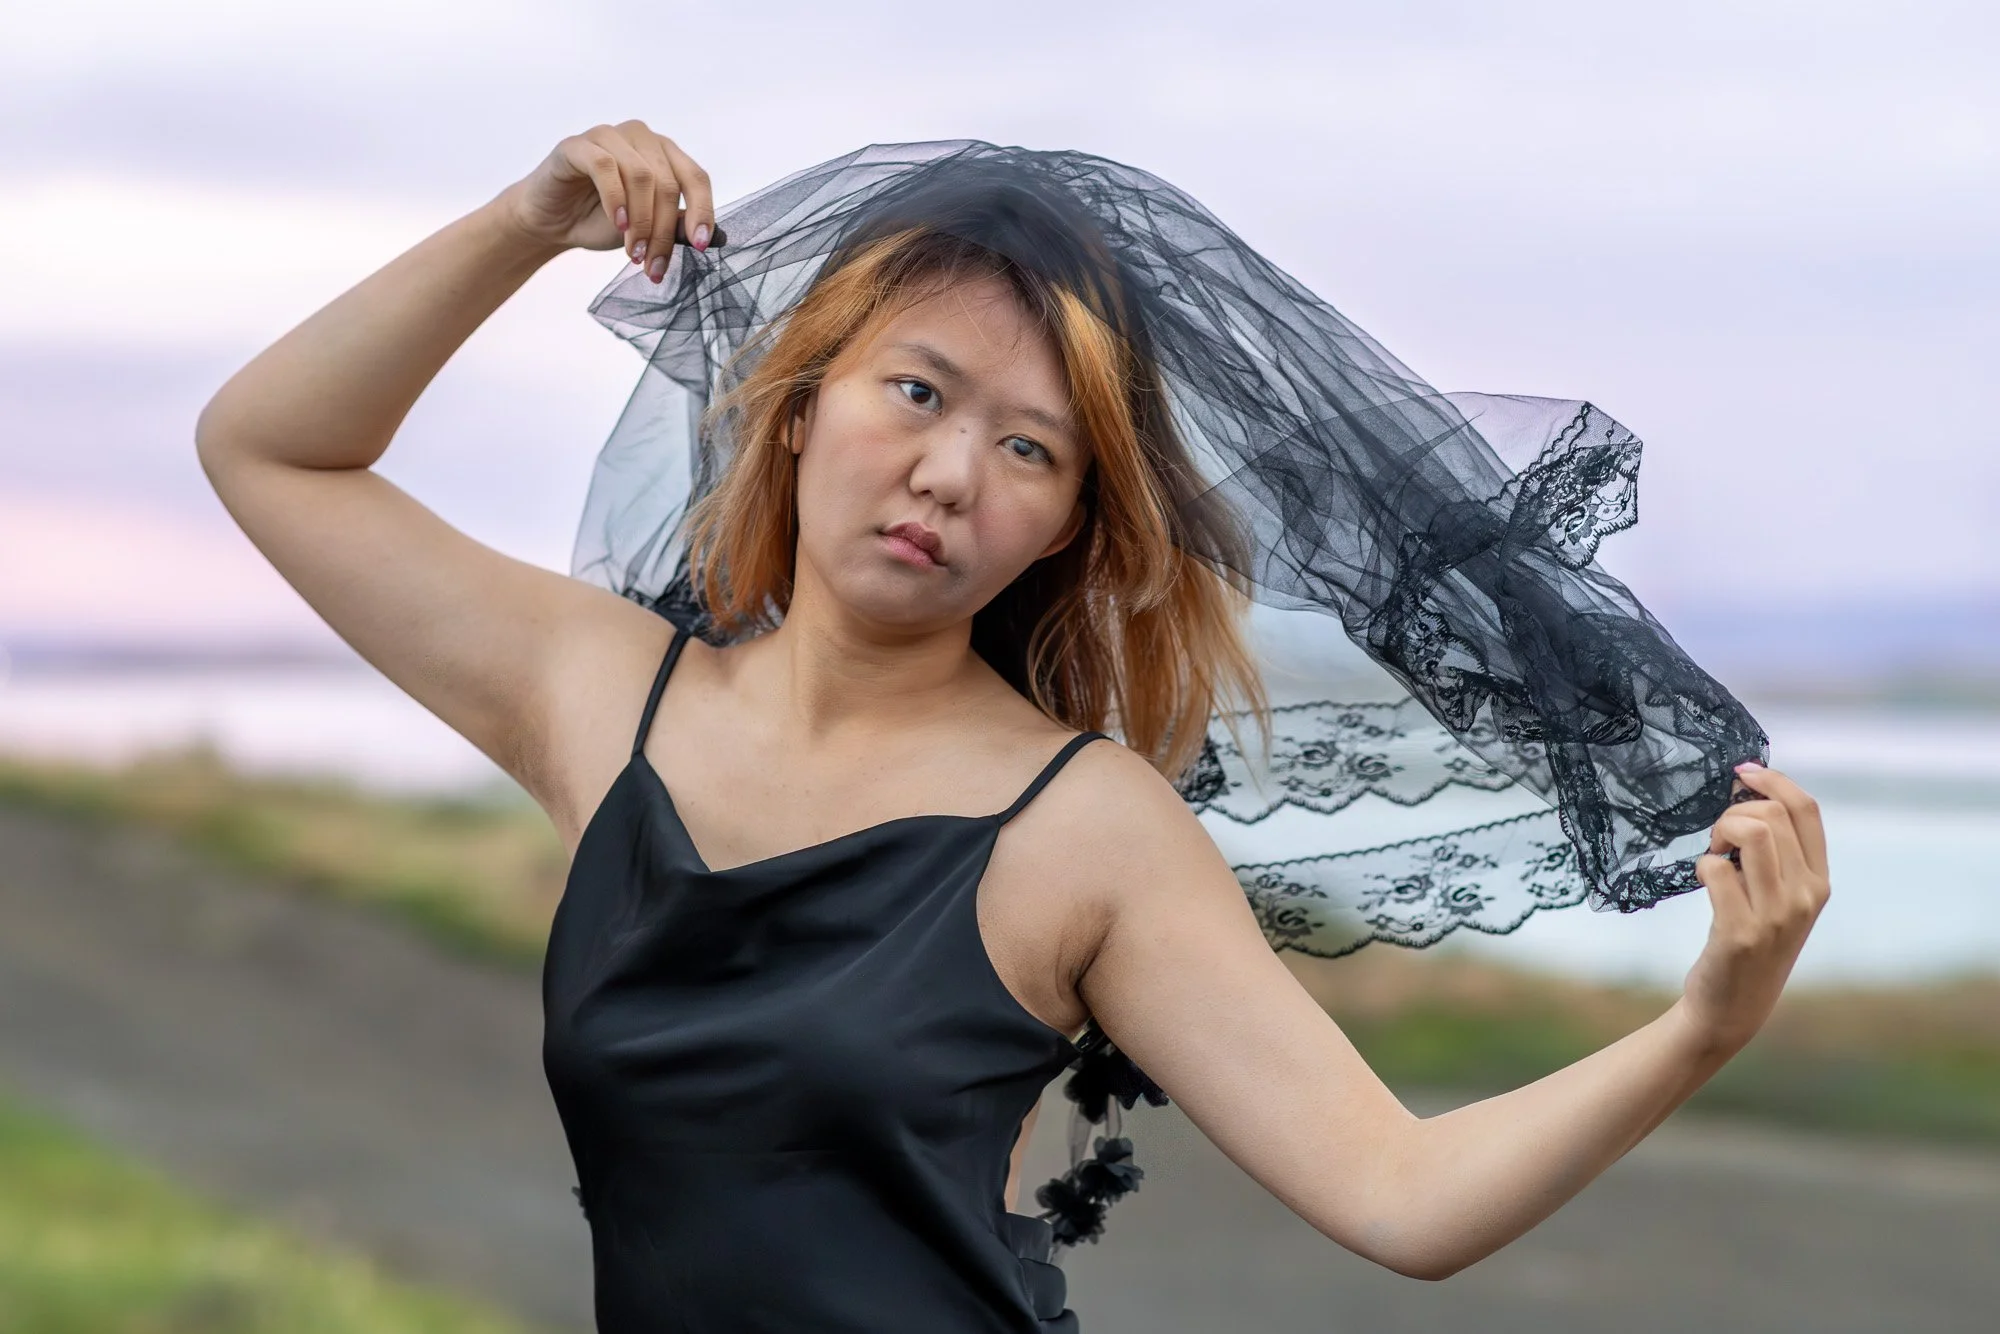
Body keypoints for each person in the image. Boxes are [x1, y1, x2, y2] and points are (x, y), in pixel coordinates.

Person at [196, 120, 1832, 1332]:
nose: (951, 472)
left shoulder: (1083, 826)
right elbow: (269, 450)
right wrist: (525, 218)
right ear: (801, 401)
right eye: (916, 391)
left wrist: (1706, 1020)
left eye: (1031, 449)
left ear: (1066, 526)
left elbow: (1400, 1198)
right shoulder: (601, 697)